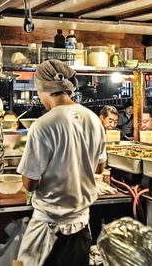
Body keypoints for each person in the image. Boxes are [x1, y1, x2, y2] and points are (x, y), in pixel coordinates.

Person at [17, 60, 107, 266]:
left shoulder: (43, 125)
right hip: (82, 227)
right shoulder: (93, 119)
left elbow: (30, 183)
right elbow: (99, 167)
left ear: (43, 89)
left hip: (48, 229)